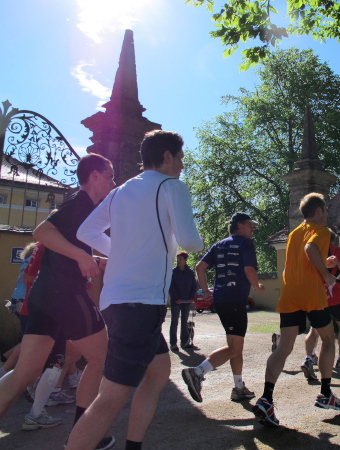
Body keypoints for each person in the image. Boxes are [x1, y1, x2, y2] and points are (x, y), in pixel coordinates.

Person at [71, 130, 204, 450]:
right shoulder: (172, 186)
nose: (182, 165)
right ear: (167, 156)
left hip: (118, 302)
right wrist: (197, 244)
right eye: (180, 158)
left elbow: (86, 232)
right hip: (140, 305)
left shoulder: (121, 191)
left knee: (158, 372)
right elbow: (190, 242)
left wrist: (119, 252)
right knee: (110, 398)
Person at [0, 154, 115, 449]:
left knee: (25, 372)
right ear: (94, 176)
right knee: (100, 358)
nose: (113, 183)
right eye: (110, 176)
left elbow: (63, 249)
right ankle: (82, 436)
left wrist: (93, 260)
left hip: (45, 295)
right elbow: (41, 232)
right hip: (66, 294)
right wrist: (81, 256)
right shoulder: (81, 203)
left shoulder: (82, 206)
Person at [252, 193, 340, 428]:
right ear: (318, 211)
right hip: (312, 294)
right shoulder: (322, 231)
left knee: (284, 347)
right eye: (326, 210)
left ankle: (266, 399)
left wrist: (324, 263)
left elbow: (301, 259)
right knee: (328, 339)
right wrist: (326, 275)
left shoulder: (293, 233)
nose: (327, 214)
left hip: (290, 293)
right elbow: (310, 248)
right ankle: (326, 393)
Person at [182, 212, 265, 402]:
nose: (252, 229)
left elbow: (200, 267)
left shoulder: (219, 244)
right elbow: (249, 270)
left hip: (220, 300)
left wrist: (205, 291)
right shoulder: (246, 243)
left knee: (236, 346)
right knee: (234, 348)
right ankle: (197, 372)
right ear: (240, 225)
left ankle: (239, 387)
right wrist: (257, 286)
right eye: (250, 225)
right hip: (235, 300)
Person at [300, 230, 340, 381]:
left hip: (317, 297)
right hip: (334, 297)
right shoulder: (336, 250)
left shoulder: (314, 252)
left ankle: (309, 359)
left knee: (314, 330)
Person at [169, 251, 197, 351]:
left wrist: (191, 297)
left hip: (187, 301)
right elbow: (171, 286)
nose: (179, 260)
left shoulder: (190, 272)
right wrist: (176, 298)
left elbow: (194, 285)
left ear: (185, 260)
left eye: (181, 258)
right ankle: (173, 343)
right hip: (176, 302)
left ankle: (184, 342)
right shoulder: (173, 272)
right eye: (178, 258)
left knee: (184, 322)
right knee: (174, 322)